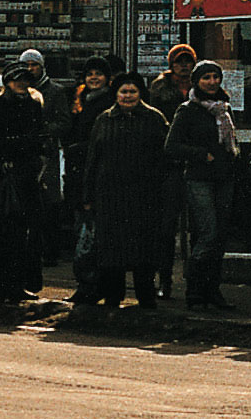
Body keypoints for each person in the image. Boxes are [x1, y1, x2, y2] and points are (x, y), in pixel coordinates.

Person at [69, 67, 176, 317]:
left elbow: (165, 159)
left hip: (144, 197)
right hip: (110, 198)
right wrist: (88, 197)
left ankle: (146, 298)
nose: (127, 96)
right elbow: (93, 161)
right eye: (123, 91)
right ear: (116, 95)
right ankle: (113, 299)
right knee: (111, 253)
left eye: (132, 91)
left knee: (144, 252)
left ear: (140, 94)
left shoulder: (154, 118)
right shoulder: (104, 120)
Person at [0, 50, 53, 319]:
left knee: (22, 234)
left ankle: (17, 285)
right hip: (3, 177)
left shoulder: (33, 105)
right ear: (7, 82)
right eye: (16, 80)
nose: (22, 84)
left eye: (25, 80)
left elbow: (38, 138)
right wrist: (22, 143)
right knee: (1, 235)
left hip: (25, 176)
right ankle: (0, 286)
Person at [165, 63, 244, 310]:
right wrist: (202, 154)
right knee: (208, 232)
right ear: (196, 81)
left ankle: (212, 290)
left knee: (219, 235)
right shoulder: (188, 110)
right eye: (206, 78)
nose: (212, 82)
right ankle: (195, 289)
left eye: (216, 77)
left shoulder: (224, 108)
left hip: (223, 177)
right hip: (199, 177)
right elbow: (172, 146)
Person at [59, 58, 117, 296]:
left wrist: (77, 148)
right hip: (76, 174)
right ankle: (87, 283)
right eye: (90, 74)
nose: (94, 78)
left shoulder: (108, 102)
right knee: (82, 230)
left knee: (90, 233)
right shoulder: (79, 100)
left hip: (95, 174)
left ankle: (91, 285)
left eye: (99, 74)